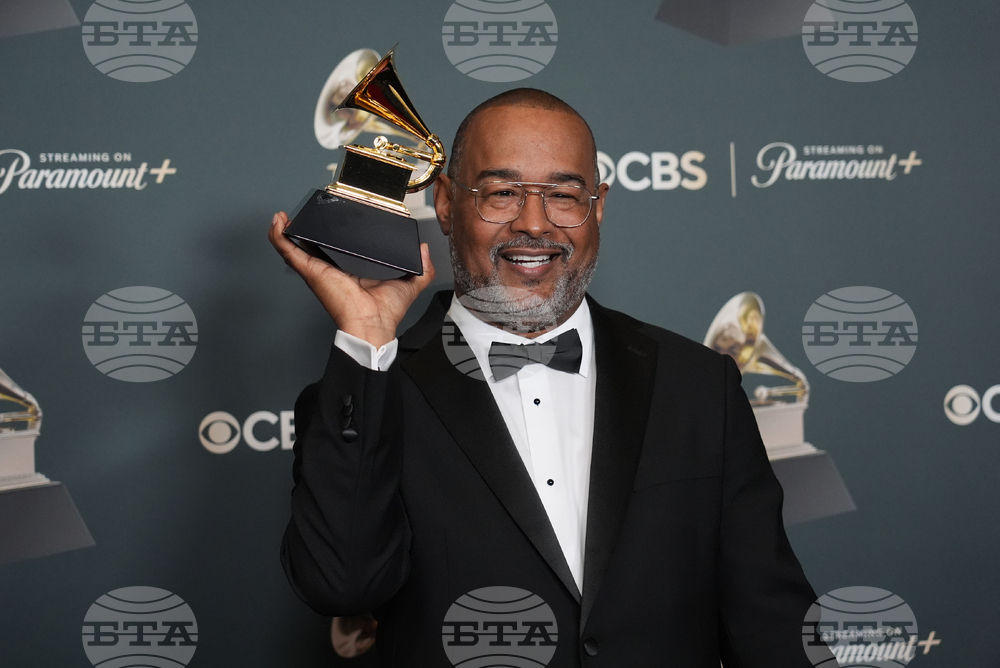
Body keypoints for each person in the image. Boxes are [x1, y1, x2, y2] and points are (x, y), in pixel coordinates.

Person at [269, 88, 827, 667]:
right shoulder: (369, 390)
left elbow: (773, 623)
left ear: (599, 206)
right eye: (502, 193)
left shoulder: (698, 385)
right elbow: (341, 586)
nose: (534, 224)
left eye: (564, 195)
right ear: (443, 204)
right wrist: (366, 337)